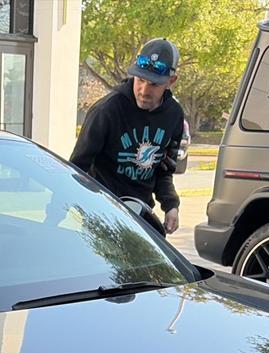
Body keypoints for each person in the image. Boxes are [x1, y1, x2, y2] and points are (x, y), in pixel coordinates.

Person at [70, 38, 187, 235]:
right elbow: (77, 167)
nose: (144, 90)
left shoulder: (174, 115)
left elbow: (164, 170)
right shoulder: (107, 110)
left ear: (170, 81)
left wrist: (171, 205)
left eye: (153, 84)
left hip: (141, 214)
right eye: (140, 80)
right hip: (102, 212)